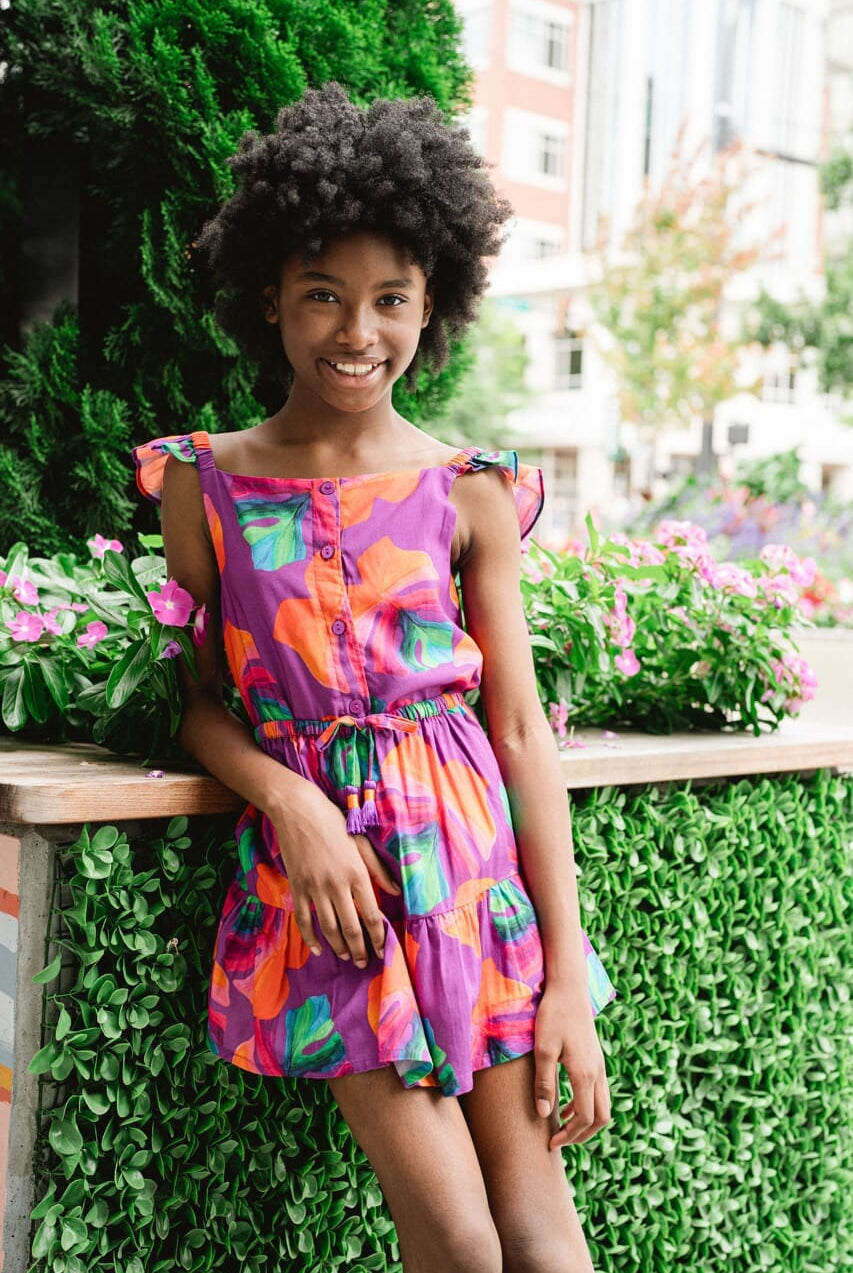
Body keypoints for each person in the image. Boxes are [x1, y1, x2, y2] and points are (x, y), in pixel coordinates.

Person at [133, 83, 617, 1273]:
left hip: (473, 879)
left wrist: (568, 979)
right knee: (456, 1239)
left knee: (544, 1241)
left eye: (391, 299)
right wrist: (290, 801)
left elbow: (516, 728)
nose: (358, 331)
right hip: (330, 899)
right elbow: (198, 697)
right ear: (271, 299)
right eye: (323, 296)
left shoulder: (470, 490)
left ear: (431, 303)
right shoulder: (207, 486)